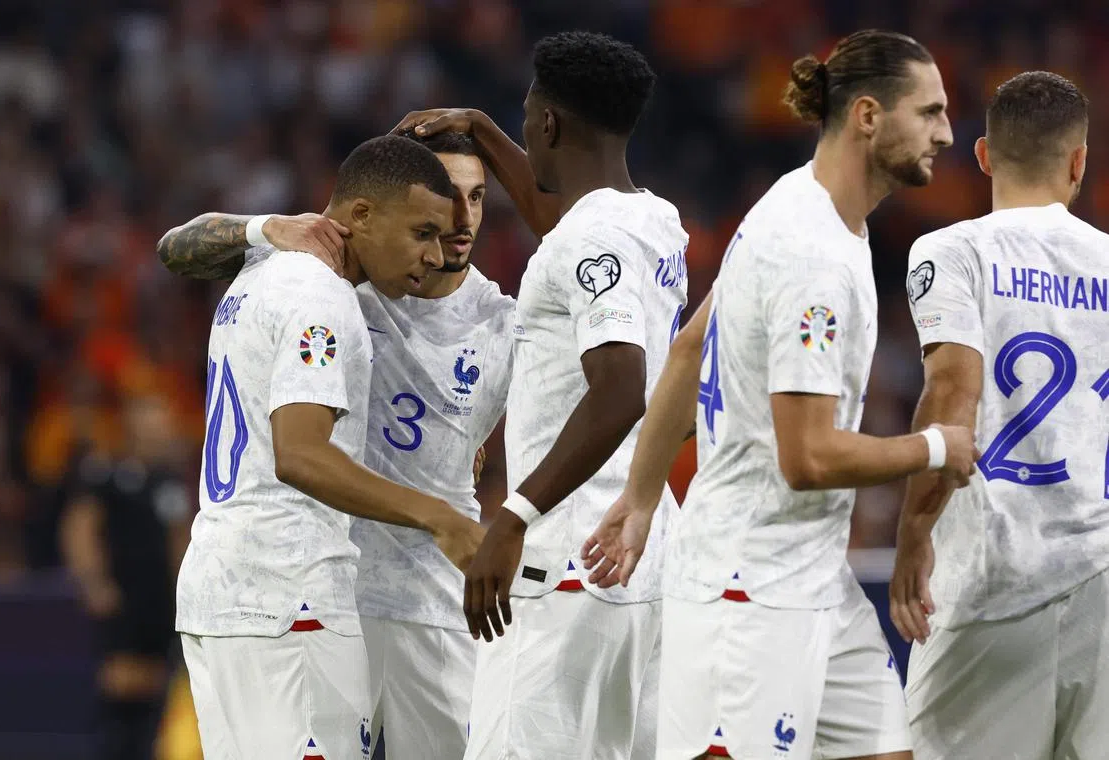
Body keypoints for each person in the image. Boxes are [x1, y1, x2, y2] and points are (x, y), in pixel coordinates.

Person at [580, 30, 976, 760]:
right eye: (929, 112)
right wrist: (936, 447)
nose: (947, 133)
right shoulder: (812, 253)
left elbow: (691, 346)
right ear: (867, 115)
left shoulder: (800, 209)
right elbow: (808, 457)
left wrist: (641, 501)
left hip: (812, 573)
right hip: (748, 590)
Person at [159, 129, 518, 759]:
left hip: (229, 586)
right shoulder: (322, 298)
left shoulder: (265, 268)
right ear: (360, 215)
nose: (437, 251)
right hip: (289, 590)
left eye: (469, 207)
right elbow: (299, 454)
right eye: (422, 231)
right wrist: (440, 518)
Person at [398, 30, 688, 759]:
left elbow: (620, 391)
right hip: (645, 553)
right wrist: (484, 129)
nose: (525, 123)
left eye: (527, 112)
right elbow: (570, 237)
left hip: (566, 558)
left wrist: (514, 517)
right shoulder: (657, 222)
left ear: (550, 123)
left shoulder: (590, 241)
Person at [890, 71, 1109, 760]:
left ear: (983, 155)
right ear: (1079, 161)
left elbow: (953, 391)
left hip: (993, 580)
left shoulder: (951, 252)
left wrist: (914, 531)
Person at [59, 394, 192, 760]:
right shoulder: (105, 474)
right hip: (123, 600)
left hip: (161, 604)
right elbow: (79, 528)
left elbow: (179, 540)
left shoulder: (171, 483)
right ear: (133, 426)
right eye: (153, 420)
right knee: (121, 693)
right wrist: (94, 583)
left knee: (159, 698)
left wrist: (186, 595)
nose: (163, 428)